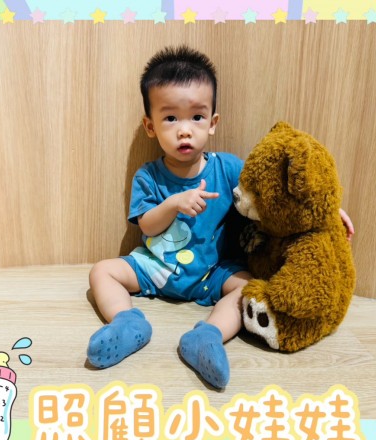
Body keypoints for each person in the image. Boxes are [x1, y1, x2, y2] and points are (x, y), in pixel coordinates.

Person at [87, 45, 355, 390]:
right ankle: (127, 323)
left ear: (213, 123)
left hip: (213, 271)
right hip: (156, 267)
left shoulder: (227, 168)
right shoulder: (148, 176)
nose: (185, 130)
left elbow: (270, 197)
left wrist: (322, 212)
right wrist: (173, 204)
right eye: (171, 118)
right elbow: (147, 226)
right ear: (150, 126)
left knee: (248, 289)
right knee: (102, 271)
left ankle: (207, 337)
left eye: (196, 117)